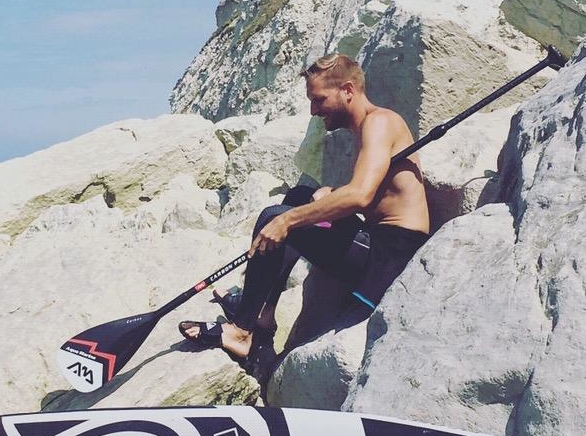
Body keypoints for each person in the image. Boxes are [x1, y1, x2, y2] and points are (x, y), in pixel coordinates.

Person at [179, 53, 430, 360]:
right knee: (300, 196)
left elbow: (360, 196)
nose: (313, 110)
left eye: (319, 100)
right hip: (378, 240)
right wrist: (331, 193)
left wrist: (287, 221)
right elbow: (376, 191)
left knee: (274, 217)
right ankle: (262, 314)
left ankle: (242, 332)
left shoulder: (379, 122)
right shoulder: (370, 125)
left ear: (347, 90)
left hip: (390, 255)